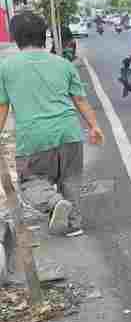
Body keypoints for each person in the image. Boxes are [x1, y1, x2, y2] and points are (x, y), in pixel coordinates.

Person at [0, 12, 104, 237]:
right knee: (71, 180)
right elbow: (80, 99)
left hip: (34, 137)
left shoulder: (6, 68)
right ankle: (73, 225)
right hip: (69, 133)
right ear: (44, 37)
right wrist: (95, 126)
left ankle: (53, 202)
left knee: (31, 182)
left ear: (15, 38)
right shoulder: (63, 64)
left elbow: (2, 107)